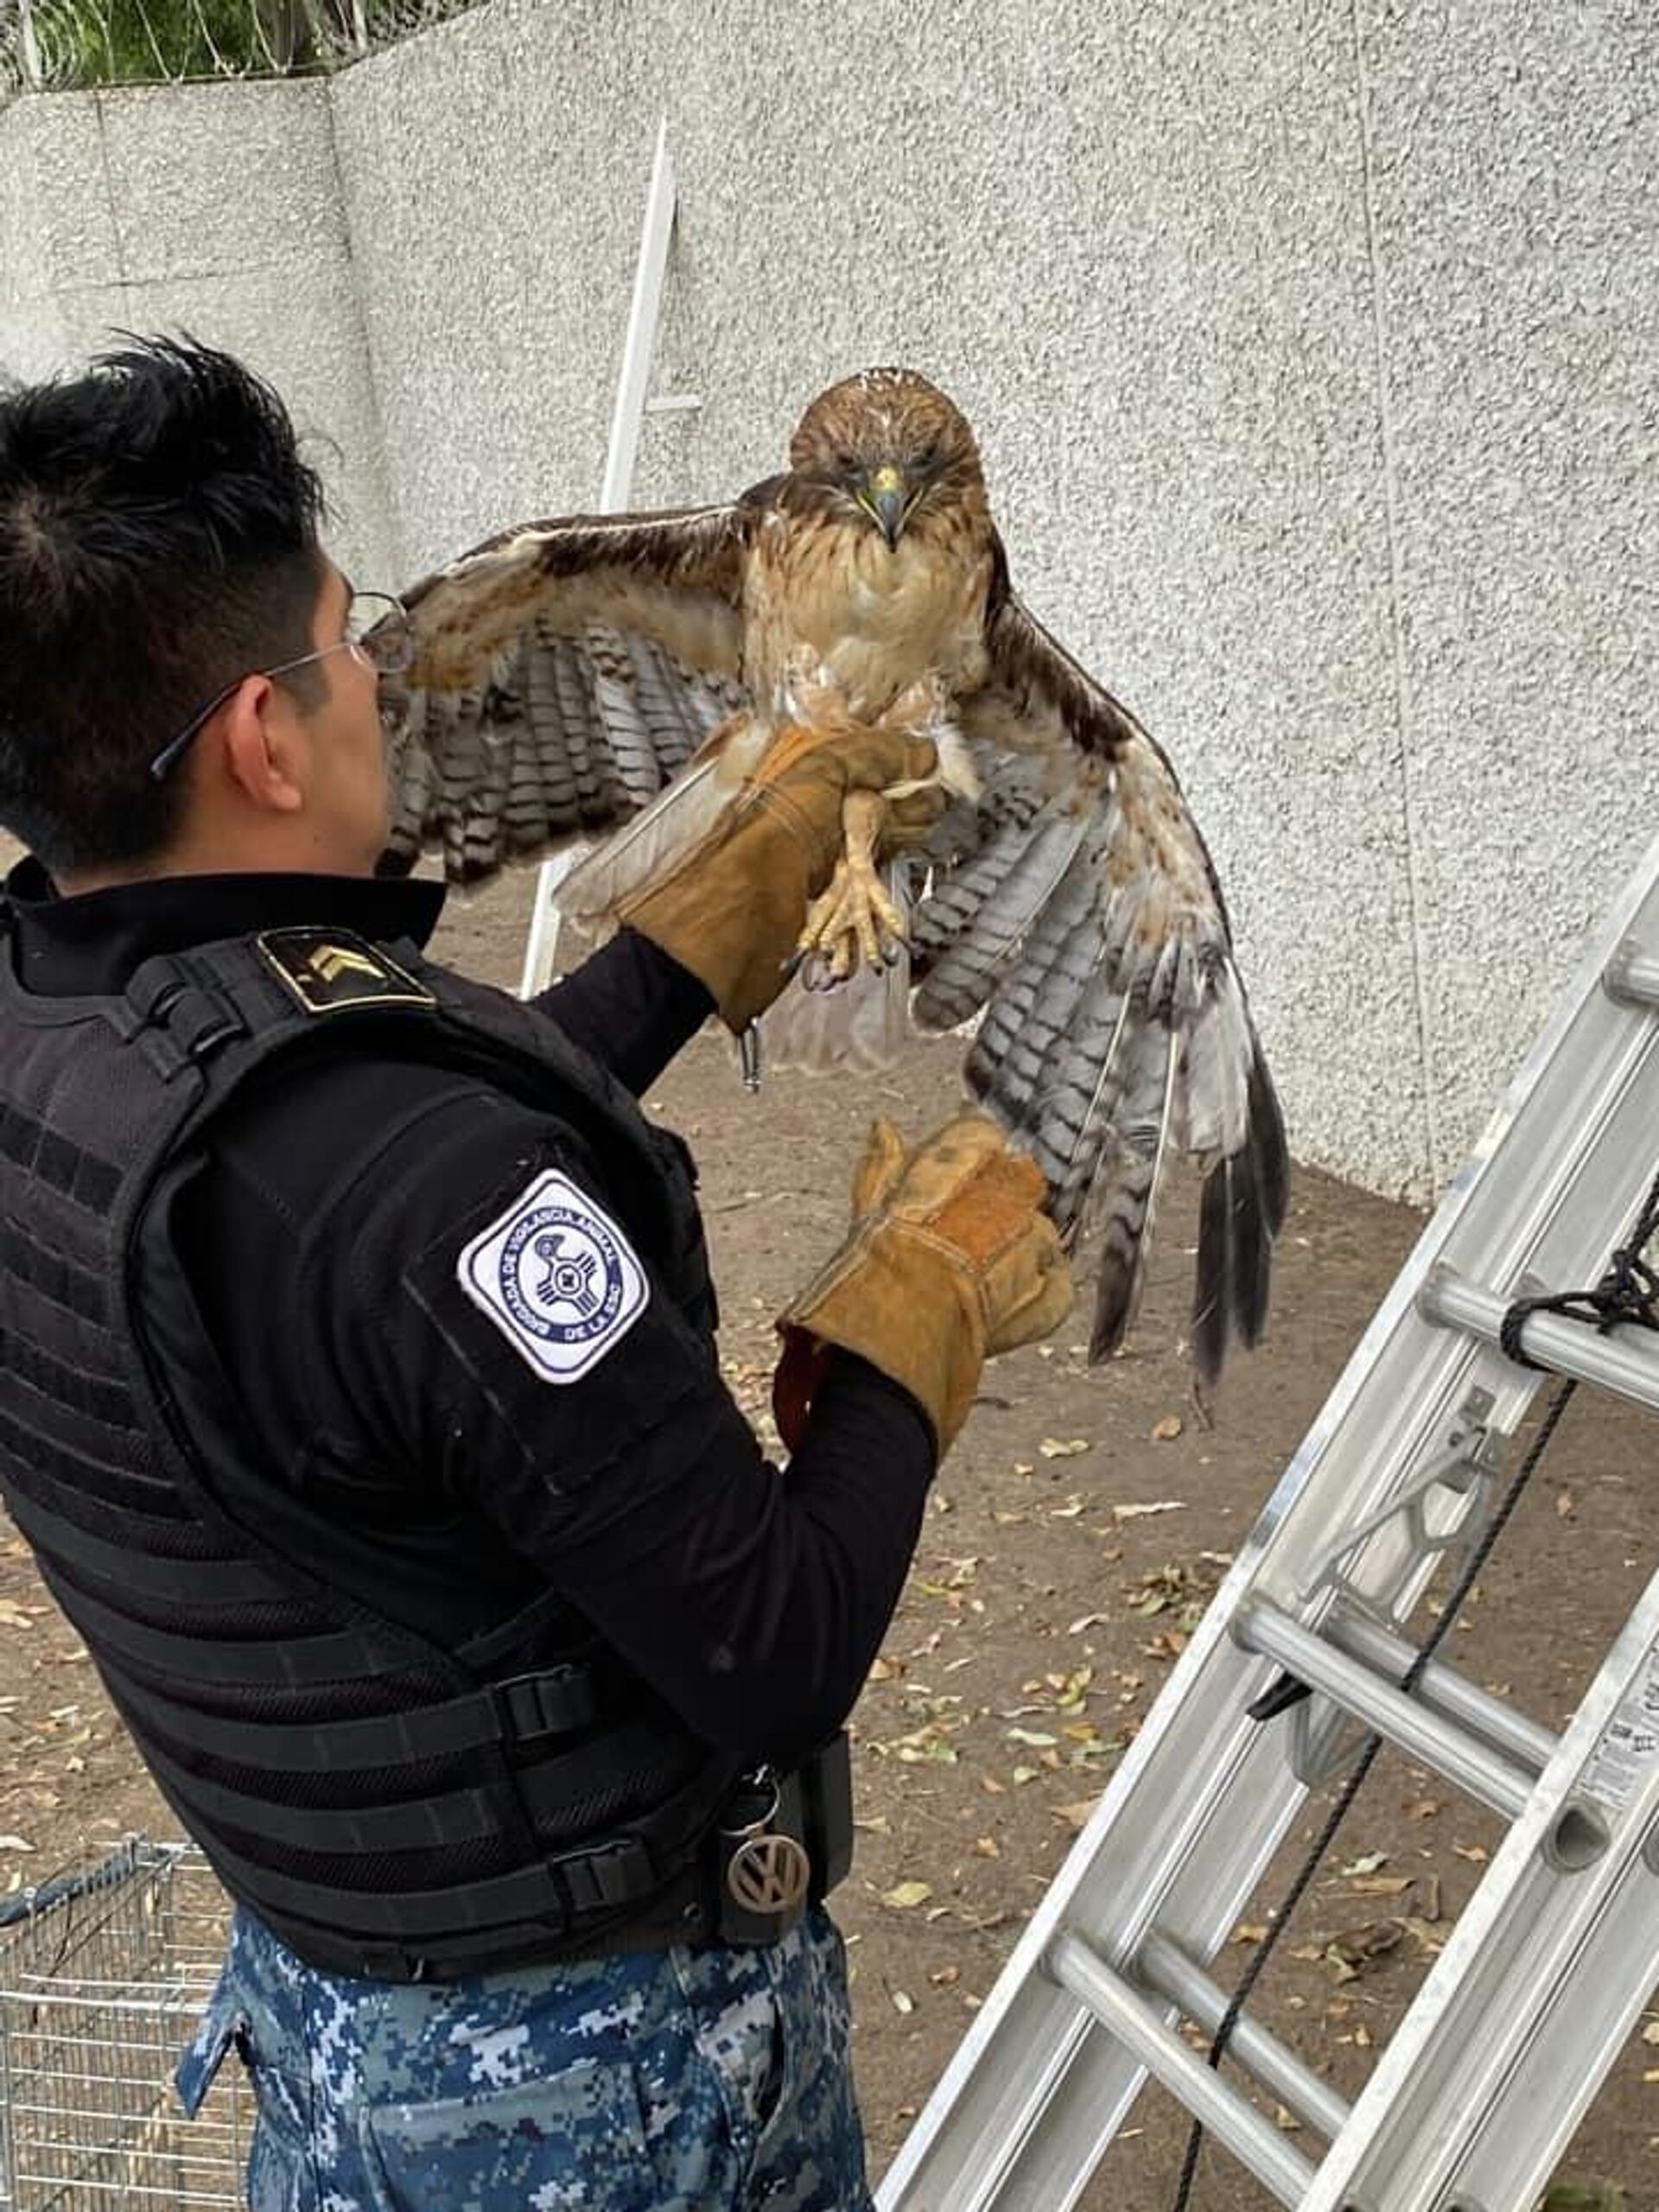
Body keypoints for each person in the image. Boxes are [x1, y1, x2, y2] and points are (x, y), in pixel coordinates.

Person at [0, 337, 1071, 2211]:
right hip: (591, 2090)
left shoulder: (58, 1029)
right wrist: (921, 1301)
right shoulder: (432, 1195)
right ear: (263, 736)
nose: (380, 690)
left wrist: (716, 906)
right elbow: (770, 1646)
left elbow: (338, 1204)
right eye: (351, 652)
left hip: (339, 2021)